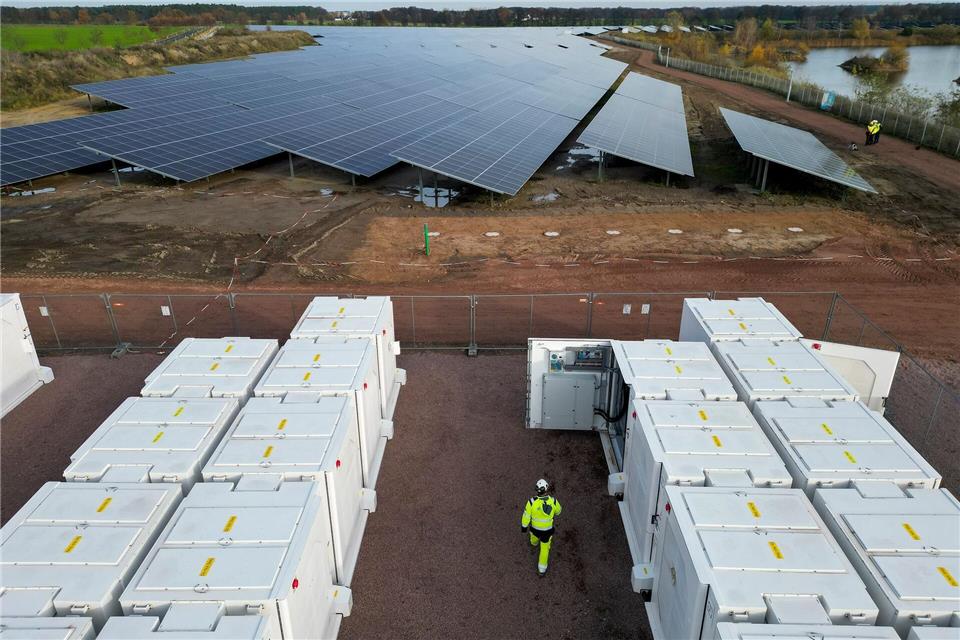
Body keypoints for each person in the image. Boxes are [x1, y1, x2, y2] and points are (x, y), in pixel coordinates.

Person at [521, 479, 562, 577]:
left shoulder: (531, 502)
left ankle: (534, 543)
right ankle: (542, 569)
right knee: (544, 550)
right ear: (547, 489)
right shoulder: (553, 501)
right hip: (547, 531)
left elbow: (526, 515)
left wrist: (524, 526)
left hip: (535, 529)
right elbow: (559, 511)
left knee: (533, 539)